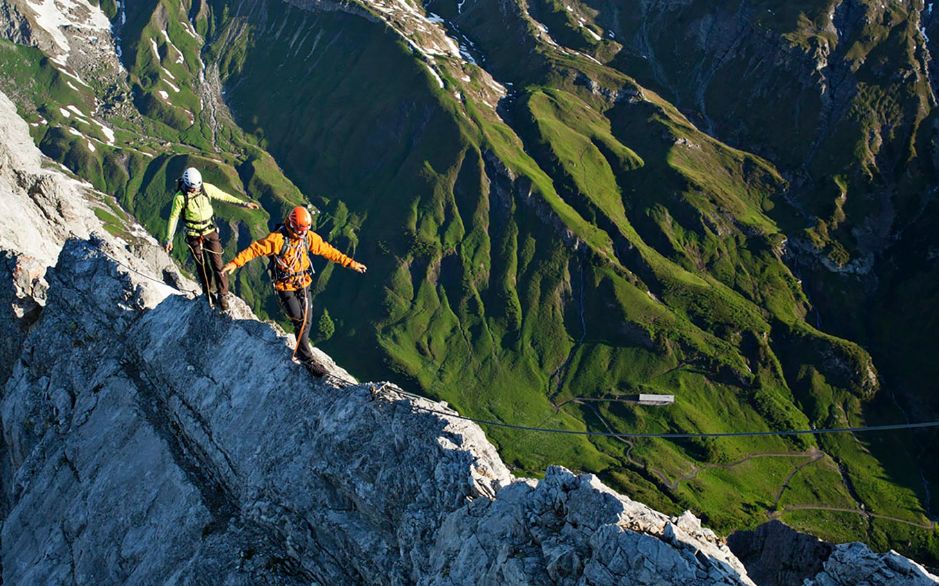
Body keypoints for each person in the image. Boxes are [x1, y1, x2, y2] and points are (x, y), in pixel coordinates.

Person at [221, 206, 367, 376]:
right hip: (285, 285)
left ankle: (304, 355)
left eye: (305, 230)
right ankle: (304, 354)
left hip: (303, 282)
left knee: (306, 319)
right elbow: (254, 250)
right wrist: (234, 263)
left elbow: (328, 250)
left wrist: (351, 263)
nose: (302, 233)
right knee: (299, 318)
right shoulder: (277, 240)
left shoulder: (308, 238)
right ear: (291, 225)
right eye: (299, 230)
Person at [164, 167, 260, 310]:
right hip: (194, 234)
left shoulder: (206, 188)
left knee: (218, 264)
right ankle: (208, 293)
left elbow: (224, 196)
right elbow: (173, 217)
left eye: (196, 188)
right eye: (192, 188)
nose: (195, 190)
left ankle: (222, 295)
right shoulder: (180, 197)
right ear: (186, 184)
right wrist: (169, 239)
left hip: (209, 230)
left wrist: (244, 204)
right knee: (202, 266)